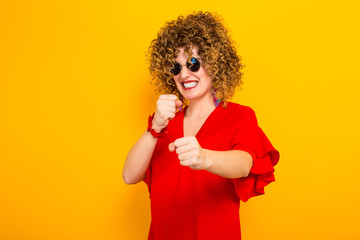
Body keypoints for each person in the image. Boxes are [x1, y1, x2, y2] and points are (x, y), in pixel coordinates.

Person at [122, 11, 279, 240]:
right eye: (176, 68)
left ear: (214, 63)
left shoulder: (239, 116)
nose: (184, 74)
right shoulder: (164, 122)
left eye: (192, 63)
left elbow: (245, 164)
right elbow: (129, 175)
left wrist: (204, 157)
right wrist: (154, 127)